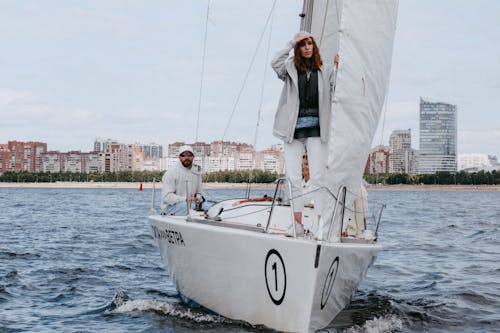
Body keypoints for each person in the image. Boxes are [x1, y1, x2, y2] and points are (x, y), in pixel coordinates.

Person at [271, 31, 338, 236]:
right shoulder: (290, 68)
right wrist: (292, 41)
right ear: (298, 49)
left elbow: (337, 86)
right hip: (293, 130)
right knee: (293, 178)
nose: (307, 47)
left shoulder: (324, 70)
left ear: (314, 47)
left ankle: (320, 225)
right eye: (303, 44)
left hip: (317, 129)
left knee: (318, 177)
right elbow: (275, 62)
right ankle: (297, 224)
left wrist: (337, 66)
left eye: (310, 43)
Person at [161, 145, 204, 215]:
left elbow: (199, 192)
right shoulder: (171, 172)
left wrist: (197, 198)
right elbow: (167, 197)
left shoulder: (197, 171)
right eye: (183, 155)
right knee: (189, 206)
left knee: (211, 207)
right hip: (171, 207)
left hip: (192, 205)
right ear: (179, 157)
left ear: (193, 157)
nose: (186, 158)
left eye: (189, 155)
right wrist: (186, 199)